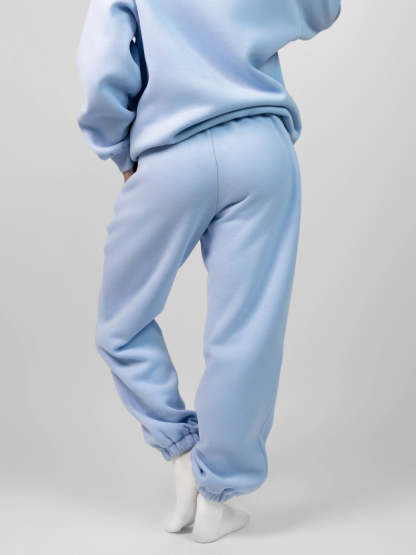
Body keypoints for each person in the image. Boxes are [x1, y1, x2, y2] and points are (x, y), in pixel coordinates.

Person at [77, 0, 341, 543]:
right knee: (246, 334)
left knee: (119, 326)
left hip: (168, 153)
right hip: (260, 148)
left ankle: (183, 457)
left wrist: (120, 150)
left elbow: (102, 63)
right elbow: (321, 8)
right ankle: (218, 495)